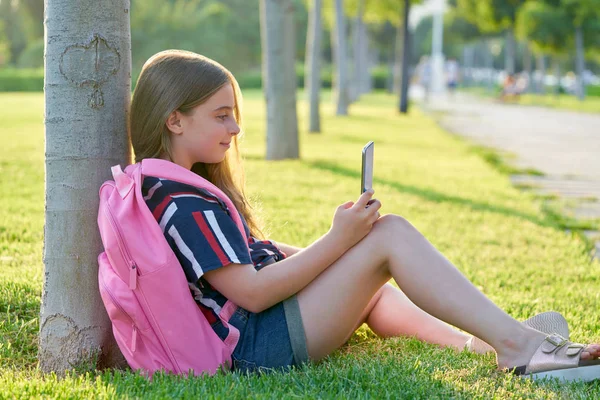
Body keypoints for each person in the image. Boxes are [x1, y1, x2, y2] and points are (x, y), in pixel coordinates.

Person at [128, 50, 600, 380]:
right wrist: (339, 241)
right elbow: (250, 293)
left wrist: (343, 246)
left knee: (371, 278)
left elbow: (255, 256)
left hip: (264, 330)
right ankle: (519, 348)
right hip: (256, 347)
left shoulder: (178, 187)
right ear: (175, 120)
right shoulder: (181, 201)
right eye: (221, 115)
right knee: (391, 236)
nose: (236, 127)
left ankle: (490, 343)